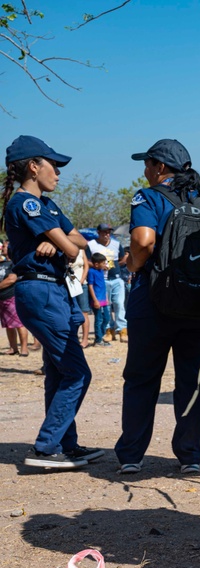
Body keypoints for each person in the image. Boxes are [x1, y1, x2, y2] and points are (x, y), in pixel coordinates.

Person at [114, 138, 200, 475]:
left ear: (160, 167)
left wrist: (132, 266)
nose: (144, 172)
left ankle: (131, 455)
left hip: (153, 301)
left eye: (147, 165)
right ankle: (190, 456)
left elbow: (143, 240)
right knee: (194, 382)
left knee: (142, 378)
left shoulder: (148, 197)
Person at [2, 136, 103, 469]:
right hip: (40, 291)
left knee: (60, 373)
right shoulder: (26, 204)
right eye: (53, 166)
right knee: (77, 373)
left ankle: (65, 443)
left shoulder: (47, 204)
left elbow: (80, 240)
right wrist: (59, 242)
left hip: (56, 291)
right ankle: (46, 447)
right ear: (34, 166)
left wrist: (55, 241)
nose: (58, 173)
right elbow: (72, 248)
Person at [88, 223, 128, 343]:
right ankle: (108, 330)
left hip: (116, 278)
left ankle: (122, 330)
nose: (107, 234)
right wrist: (99, 267)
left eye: (109, 232)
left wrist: (116, 266)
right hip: (102, 280)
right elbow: (87, 260)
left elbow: (122, 258)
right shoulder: (91, 245)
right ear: (98, 233)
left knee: (119, 304)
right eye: (104, 232)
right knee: (107, 305)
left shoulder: (116, 244)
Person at [0, 240, 30, 356]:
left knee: (19, 323)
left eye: (5, 247)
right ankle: (13, 348)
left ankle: (24, 348)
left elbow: (12, 279)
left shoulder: (15, 263)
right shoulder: (2, 263)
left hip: (11, 296)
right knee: (8, 324)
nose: (3, 249)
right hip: (2, 297)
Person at [87, 252, 111, 347]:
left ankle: (101, 336)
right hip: (96, 300)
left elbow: (103, 285)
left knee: (106, 318)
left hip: (103, 300)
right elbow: (91, 286)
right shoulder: (91, 272)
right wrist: (95, 300)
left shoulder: (101, 271)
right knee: (99, 319)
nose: (105, 264)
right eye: (103, 263)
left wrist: (106, 298)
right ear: (96, 264)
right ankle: (98, 340)